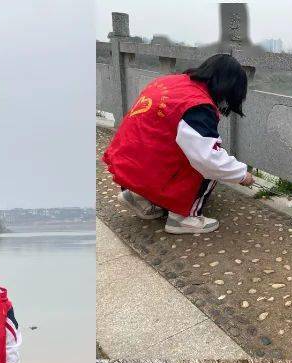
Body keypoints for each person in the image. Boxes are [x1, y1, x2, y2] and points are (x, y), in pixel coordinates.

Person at [102, 53, 255, 236]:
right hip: (145, 169)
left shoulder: (172, 82)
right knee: (207, 164)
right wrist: (241, 174)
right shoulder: (198, 105)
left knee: (183, 148)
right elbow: (208, 158)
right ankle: (184, 219)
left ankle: (137, 197)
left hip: (126, 163)